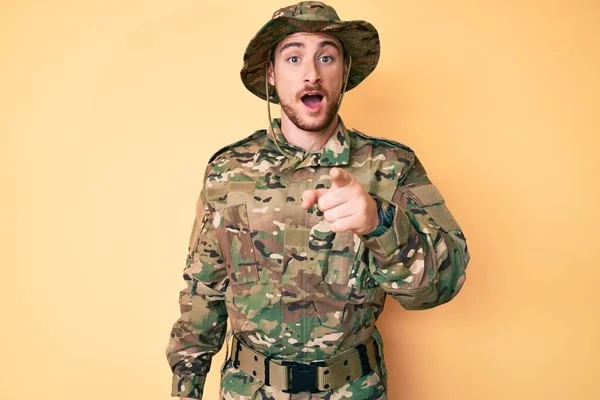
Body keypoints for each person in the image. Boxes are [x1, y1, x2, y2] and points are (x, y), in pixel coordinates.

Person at [165, 2, 470, 399]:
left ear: (343, 72)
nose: (311, 73)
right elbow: (202, 291)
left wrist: (381, 223)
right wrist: (185, 389)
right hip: (248, 390)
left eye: (326, 57)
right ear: (272, 74)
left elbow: (441, 286)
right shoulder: (228, 171)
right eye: (294, 58)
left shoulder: (392, 167)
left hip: (354, 389)